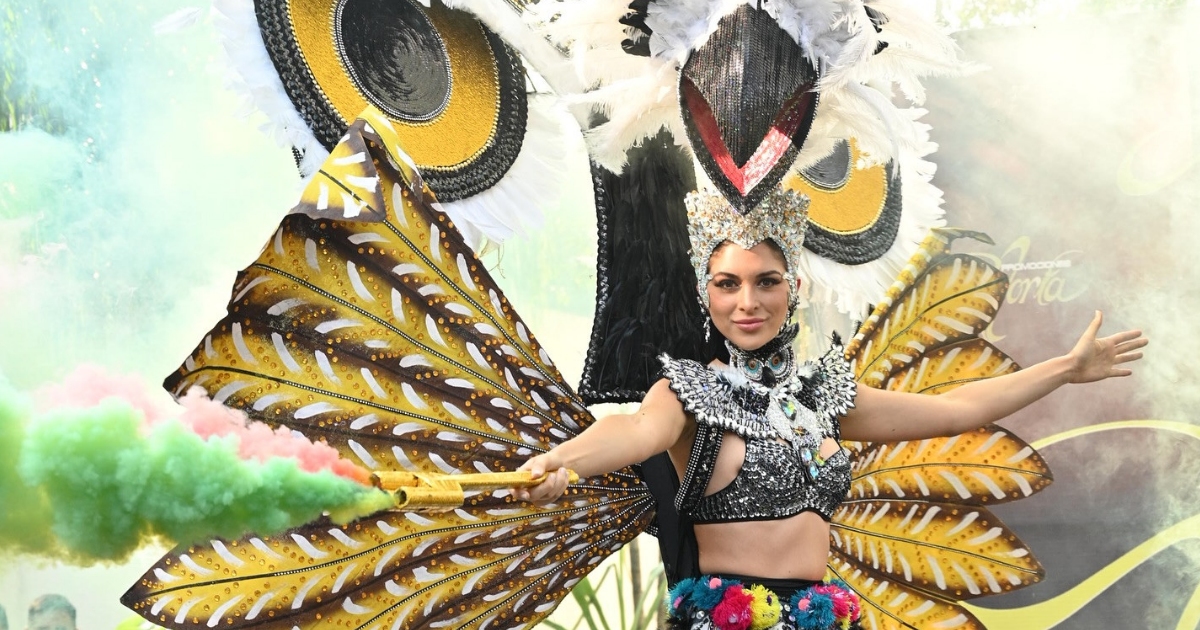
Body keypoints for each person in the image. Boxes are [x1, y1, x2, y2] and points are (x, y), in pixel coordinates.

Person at [514, 191, 1147, 629]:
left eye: (767, 281)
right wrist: (565, 461)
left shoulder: (825, 393)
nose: (747, 302)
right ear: (705, 293)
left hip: (824, 615)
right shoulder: (686, 390)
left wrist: (1064, 369)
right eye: (727, 284)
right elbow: (635, 431)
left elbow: (955, 408)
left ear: (795, 288)